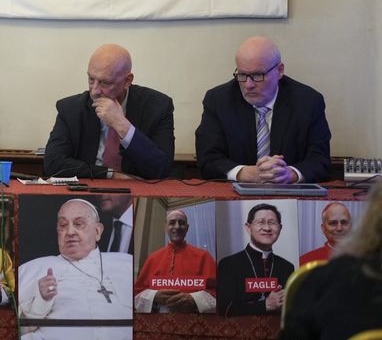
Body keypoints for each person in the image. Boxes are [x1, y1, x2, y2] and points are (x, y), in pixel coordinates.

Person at [195, 36, 331, 183]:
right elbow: (208, 159)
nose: (248, 85)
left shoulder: (308, 102)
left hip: (290, 192)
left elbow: (320, 161)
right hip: (234, 193)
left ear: (279, 71)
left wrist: (289, 174)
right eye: (242, 75)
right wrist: (243, 173)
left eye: (257, 75)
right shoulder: (218, 100)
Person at [43, 44, 175, 180]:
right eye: (91, 79)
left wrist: (122, 125)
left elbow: (162, 169)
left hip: (138, 189)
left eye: (105, 82)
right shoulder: (71, 109)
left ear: (127, 81)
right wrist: (110, 174)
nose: (94, 91)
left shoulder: (158, 106)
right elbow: (53, 164)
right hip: (88, 187)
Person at [280, 181, 382, 340]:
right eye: (333, 223)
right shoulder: (305, 261)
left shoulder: (321, 277)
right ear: (323, 228)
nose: (339, 228)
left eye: (344, 222)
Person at [19, 199, 132, 340]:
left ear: (97, 231)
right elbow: (11, 329)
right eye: (63, 225)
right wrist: (40, 303)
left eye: (78, 224)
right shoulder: (31, 269)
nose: (70, 232)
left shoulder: (126, 263)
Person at [217, 203, 294, 316]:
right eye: (260, 222)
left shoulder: (287, 267)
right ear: (248, 228)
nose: (267, 228)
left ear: (280, 228)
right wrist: (265, 305)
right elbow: (225, 308)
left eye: (272, 223)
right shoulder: (228, 264)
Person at [134, 210, 216, 314]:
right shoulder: (153, 258)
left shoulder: (204, 256)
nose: (177, 227)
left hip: (193, 320)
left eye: (181, 223)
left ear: (187, 228)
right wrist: (154, 296)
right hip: (157, 321)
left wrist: (194, 299)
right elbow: (137, 293)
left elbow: (217, 292)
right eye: (172, 223)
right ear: (165, 227)